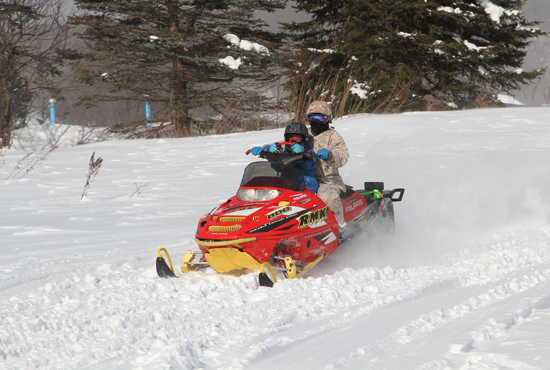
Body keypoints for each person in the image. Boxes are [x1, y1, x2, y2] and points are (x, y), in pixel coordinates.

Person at [305, 101, 349, 236]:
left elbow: (343, 155)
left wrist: (331, 156)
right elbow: (287, 143)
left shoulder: (333, 136)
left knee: (327, 196)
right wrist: (269, 148)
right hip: (302, 178)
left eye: (321, 118)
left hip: (328, 181)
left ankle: (338, 228)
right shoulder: (303, 134)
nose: (316, 122)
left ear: (328, 119)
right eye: (313, 118)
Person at [249, 122, 319, 194]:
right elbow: (276, 166)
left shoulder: (310, 153)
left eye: (297, 140)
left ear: (305, 140)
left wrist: (301, 154)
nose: (294, 142)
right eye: (291, 140)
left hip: (306, 189)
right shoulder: (284, 153)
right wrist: (268, 151)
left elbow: (307, 166)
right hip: (285, 187)